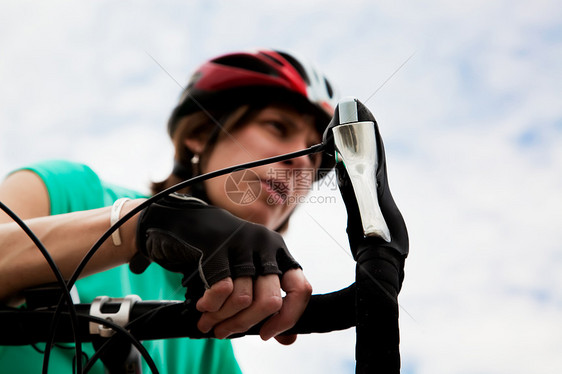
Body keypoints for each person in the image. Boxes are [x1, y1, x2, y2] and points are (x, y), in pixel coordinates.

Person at [0, 49, 339, 373]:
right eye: (277, 127)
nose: (300, 161)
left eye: (315, 156)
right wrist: (142, 226)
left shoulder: (214, 344)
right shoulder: (70, 192)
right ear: (203, 133)